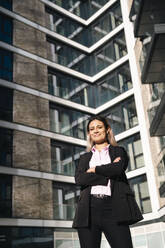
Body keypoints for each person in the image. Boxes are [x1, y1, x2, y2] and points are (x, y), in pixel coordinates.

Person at [72, 115, 143, 248]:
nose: (96, 131)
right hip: (88, 211)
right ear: (89, 133)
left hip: (114, 208)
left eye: (99, 127)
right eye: (92, 129)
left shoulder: (118, 151)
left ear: (107, 130)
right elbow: (80, 179)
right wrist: (106, 176)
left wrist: (94, 170)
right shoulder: (84, 158)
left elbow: (118, 169)